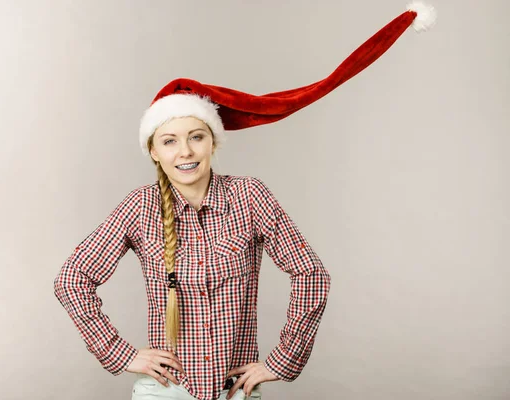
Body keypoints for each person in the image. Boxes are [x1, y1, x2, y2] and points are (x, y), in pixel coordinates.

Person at [53, 4, 435, 400]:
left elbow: (311, 275)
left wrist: (282, 361)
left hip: (235, 392)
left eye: (196, 136)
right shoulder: (139, 207)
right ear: (153, 151)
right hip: (165, 392)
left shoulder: (250, 196)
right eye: (169, 141)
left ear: (214, 142)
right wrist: (119, 353)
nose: (185, 151)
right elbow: (72, 280)